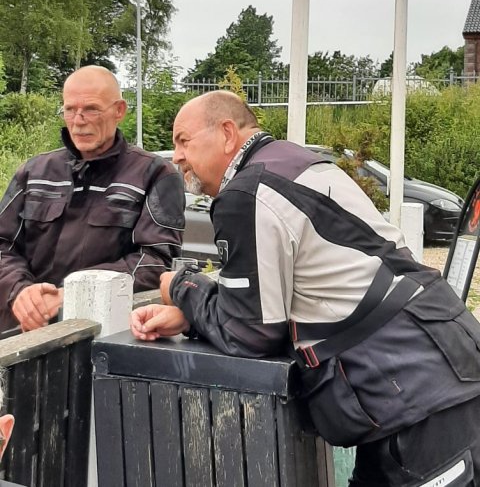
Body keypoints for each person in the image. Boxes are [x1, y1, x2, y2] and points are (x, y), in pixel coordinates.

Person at [131, 90, 480, 486]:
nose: (176, 157)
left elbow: (248, 332)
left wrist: (181, 286)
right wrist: (191, 317)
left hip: (415, 397)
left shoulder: (246, 193)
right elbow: (279, 296)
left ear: (227, 133)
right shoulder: (298, 162)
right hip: (431, 366)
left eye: (183, 141)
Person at [0, 66, 185, 333]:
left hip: (98, 337)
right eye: (69, 109)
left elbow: (156, 261)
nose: (78, 120)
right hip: (20, 335)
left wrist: (74, 294)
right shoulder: (34, 172)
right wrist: (19, 291)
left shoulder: (155, 175)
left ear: (119, 110)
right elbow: (3, 243)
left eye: (91, 109)